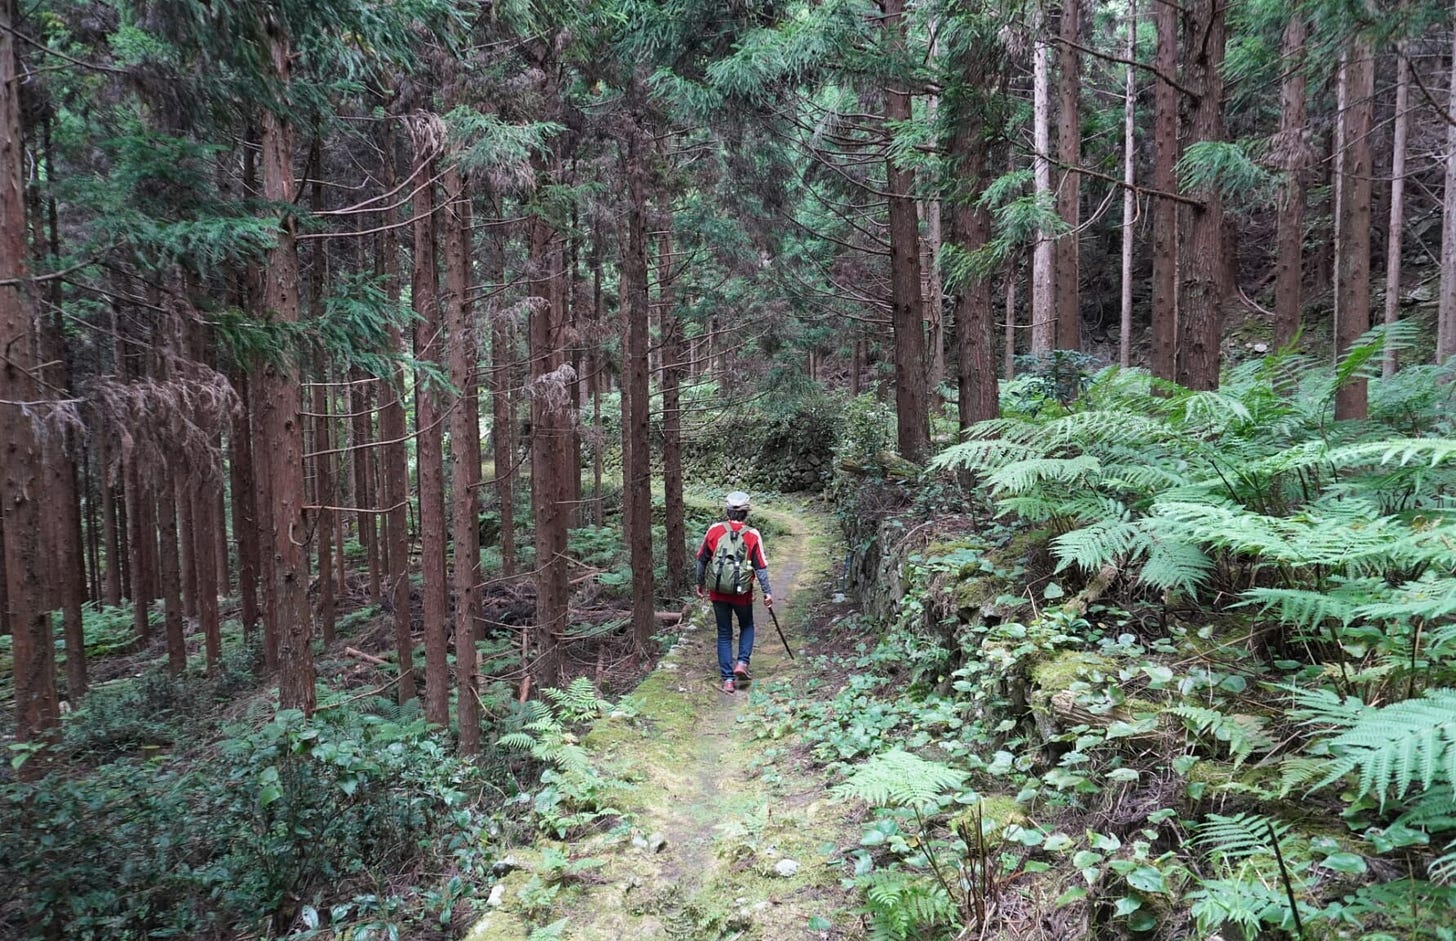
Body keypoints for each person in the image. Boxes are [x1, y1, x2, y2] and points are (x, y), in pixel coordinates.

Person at [695, 491, 773, 694]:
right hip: (742, 594)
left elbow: (702, 559)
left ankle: (728, 680)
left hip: (718, 592)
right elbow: (760, 567)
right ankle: (742, 663)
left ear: (727, 510)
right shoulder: (752, 534)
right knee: (747, 625)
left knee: (724, 633)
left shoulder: (714, 530)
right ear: (746, 512)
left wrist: (699, 584)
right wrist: (767, 592)